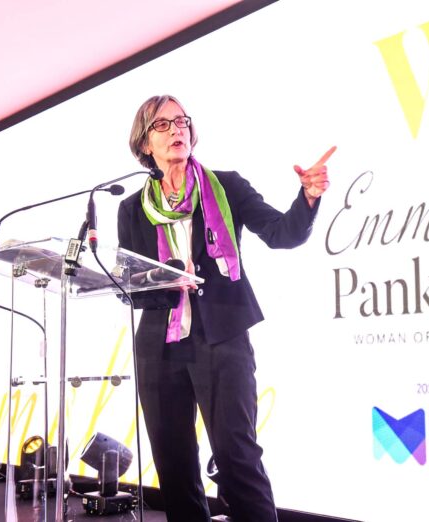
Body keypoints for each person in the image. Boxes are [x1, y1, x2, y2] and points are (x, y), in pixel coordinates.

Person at [117, 94, 334, 522]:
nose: (177, 130)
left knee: (237, 457)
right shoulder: (131, 210)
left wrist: (307, 196)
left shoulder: (226, 186)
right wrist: (165, 277)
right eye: (163, 125)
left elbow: (281, 233)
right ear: (145, 144)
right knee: (174, 466)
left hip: (222, 337)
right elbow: (130, 286)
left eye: (182, 121)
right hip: (158, 346)